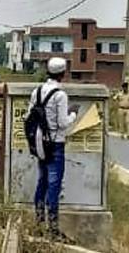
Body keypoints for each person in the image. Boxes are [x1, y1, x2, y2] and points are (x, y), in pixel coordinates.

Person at [31, 56, 77, 234]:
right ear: (63, 74)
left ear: (48, 72)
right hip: (55, 144)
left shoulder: (37, 92)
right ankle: (53, 226)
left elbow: (30, 115)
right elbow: (62, 123)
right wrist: (73, 114)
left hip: (39, 142)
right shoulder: (60, 95)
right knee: (54, 184)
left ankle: (38, 221)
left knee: (42, 181)